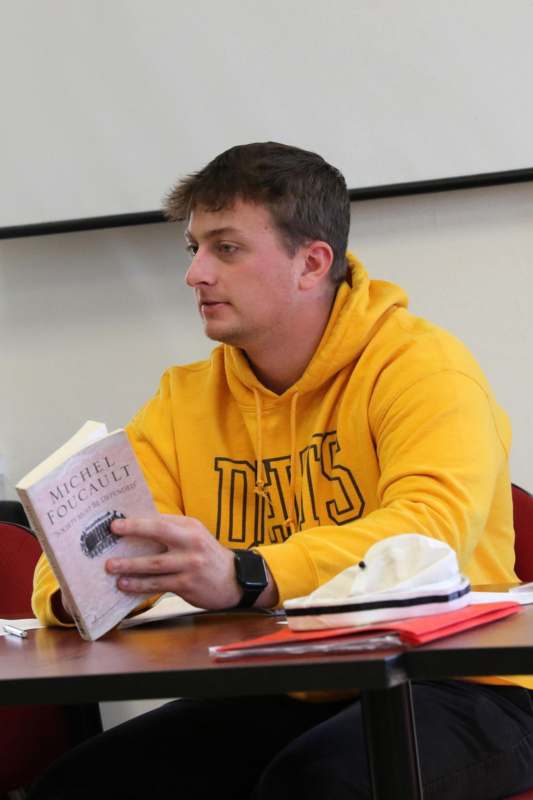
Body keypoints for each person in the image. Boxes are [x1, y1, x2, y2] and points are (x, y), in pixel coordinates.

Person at [29, 142, 533, 799]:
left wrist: (246, 573)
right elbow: (93, 536)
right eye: (193, 249)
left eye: (226, 248)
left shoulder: (421, 366)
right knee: (85, 785)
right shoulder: (183, 399)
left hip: (462, 685)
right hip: (294, 683)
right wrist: (77, 592)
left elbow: (425, 535)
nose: (195, 274)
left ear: (311, 263)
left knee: (319, 783)